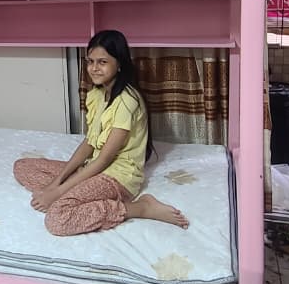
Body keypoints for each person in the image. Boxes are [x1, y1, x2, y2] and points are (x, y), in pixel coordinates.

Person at [13, 29, 188, 236]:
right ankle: (75, 193)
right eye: (90, 61)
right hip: (93, 168)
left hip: (117, 177)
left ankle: (140, 208)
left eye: (102, 62)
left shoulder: (126, 101)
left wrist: (57, 192)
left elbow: (105, 159)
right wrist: (56, 182)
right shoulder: (97, 94)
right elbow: (90, 143)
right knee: (22, 167)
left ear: (119, 63)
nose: (94, 68)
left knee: (57, 219)